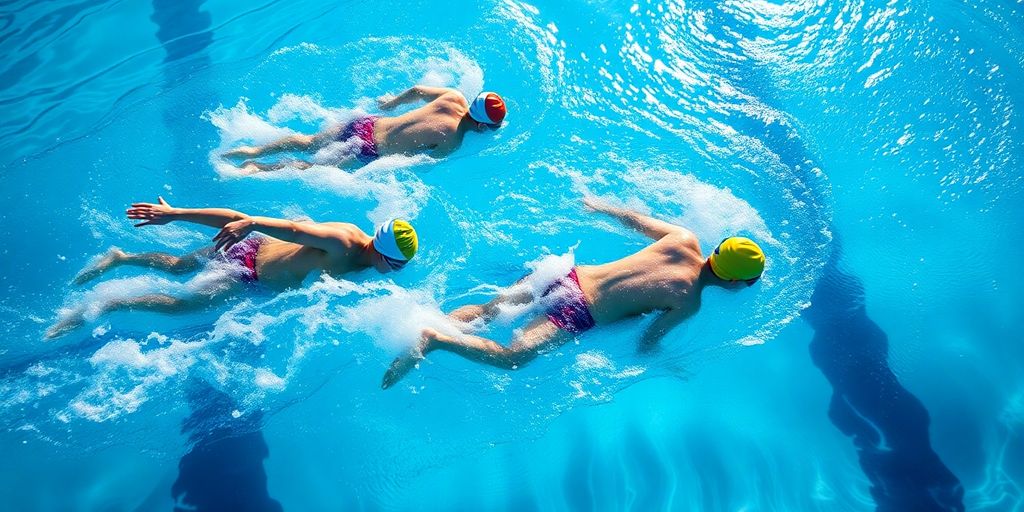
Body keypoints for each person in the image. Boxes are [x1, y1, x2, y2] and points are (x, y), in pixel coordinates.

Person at [381, 196, 765, 389]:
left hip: (565, 274)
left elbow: (631, 218)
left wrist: (600, 207)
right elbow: (647, 344)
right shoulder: (688, 301)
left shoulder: (682, 238)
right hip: (579, 312)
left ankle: (425, 321)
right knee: (513, 358)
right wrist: (668, 364)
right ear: (732, 282)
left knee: (486, 312)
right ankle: (434, 339)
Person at [45, 196, 418, 339]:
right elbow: (284, 227)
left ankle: (120, 258)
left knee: (177, 267)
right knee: (183, 305)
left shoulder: (363, 248)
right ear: (384, 256)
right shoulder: (345, 243)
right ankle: (110, 304)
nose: (396, 274)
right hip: (248, 271)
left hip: (257, 249)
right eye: (397, 268)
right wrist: (176, 214)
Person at [222, 87, 507, 173]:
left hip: (369, 123)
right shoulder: (452, 141)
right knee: (311, 167)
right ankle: (257, 167)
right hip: (368, 150)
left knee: (308, 142)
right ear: (481, 125)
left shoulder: (453, 97)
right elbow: (414, 162)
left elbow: (418, 90)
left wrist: (391, 103)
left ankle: (254, 149)